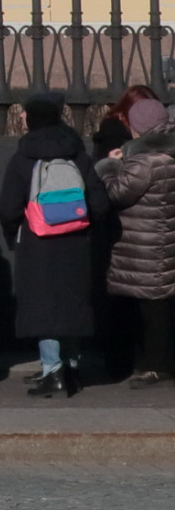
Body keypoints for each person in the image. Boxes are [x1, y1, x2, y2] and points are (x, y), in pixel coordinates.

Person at [1, 93, 108, 397]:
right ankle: (72, 368)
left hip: (37, 242)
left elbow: (8, 207)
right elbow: (99, 203)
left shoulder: (23, 159)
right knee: (71, 304)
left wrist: (14, 233)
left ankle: (53, 370)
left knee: (43, 307)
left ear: (31, 120)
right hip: (75, 242)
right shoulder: (78, 155)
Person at [96, 93, 175, 385]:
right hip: (166, 241)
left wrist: (109, 166)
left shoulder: (145, 162)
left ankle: (154, 366)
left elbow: (117, 193)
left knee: (148, 307)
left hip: (143, 243)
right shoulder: (168, 154)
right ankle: (161, 362)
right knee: (162, 304)